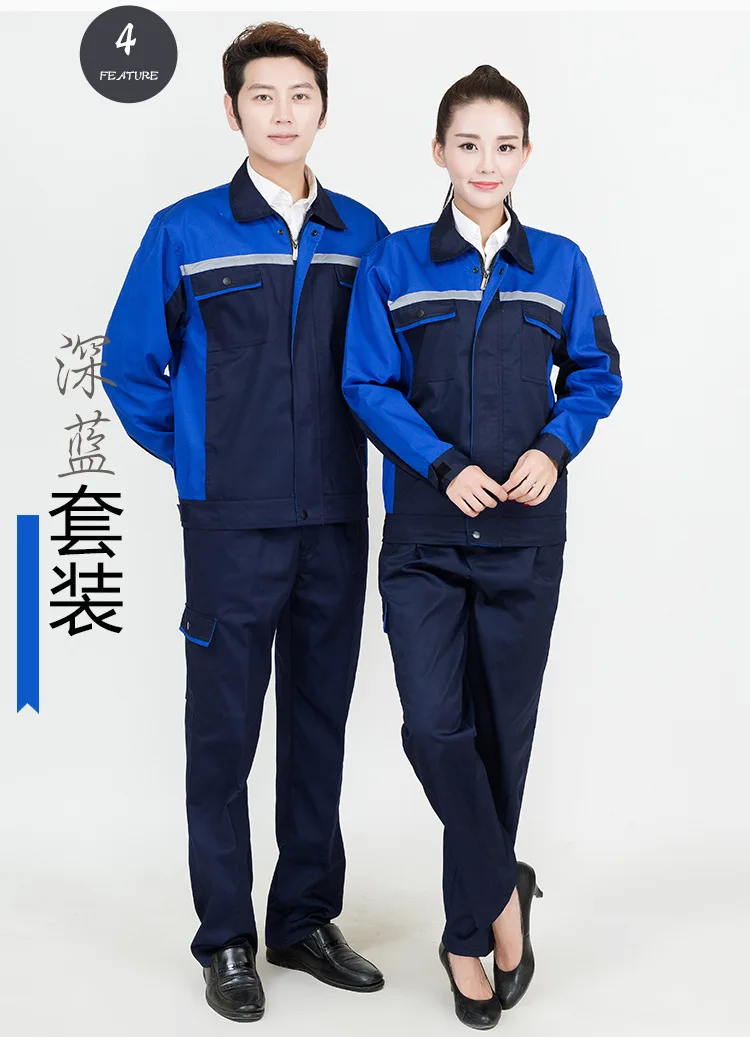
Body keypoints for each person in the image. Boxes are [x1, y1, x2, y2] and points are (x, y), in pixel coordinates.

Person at [102, 21, 388, 1023]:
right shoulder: (184, 232)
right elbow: (132, 366)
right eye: (261, 96)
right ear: (232, 111)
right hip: (229, 524)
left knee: (318, 724)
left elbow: (388, 374)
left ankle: (303, 918)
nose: (282, 112)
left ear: (322, 108)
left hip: (336, 517)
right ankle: (225, 934)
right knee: (222, 734)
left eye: (299, 94)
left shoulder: (365, 236)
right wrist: (202, 461)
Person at [342, 64, 622, 1029]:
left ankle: (467, 934)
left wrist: (554, 446)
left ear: (526, 153)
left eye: (504, 145)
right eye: (468, 144)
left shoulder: (562, 265)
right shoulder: (394, 264)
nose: (486, 162)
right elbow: (366, 383)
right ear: (439, 152)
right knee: (433, 727)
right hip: (424, 536)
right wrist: (441, 462)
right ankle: (506, 888)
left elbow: (596, 373)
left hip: (524, 538)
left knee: (503, 737)